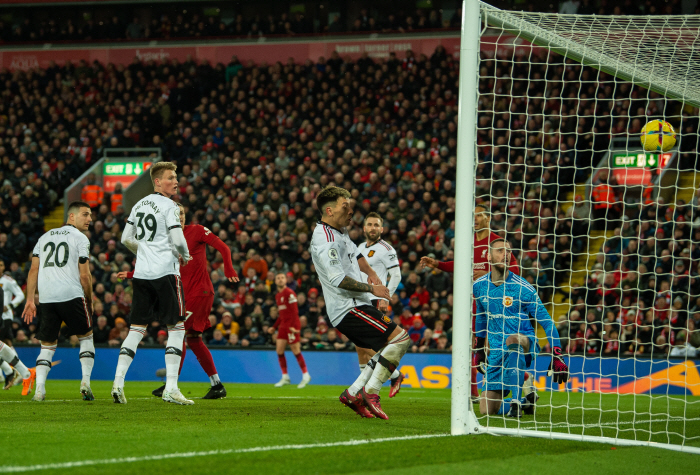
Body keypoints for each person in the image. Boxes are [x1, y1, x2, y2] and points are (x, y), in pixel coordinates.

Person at [310, 186, 410, 420]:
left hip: (355, 305)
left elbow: (356, 255)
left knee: (385, 347)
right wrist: (371, 287)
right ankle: (371, 391)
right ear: (329, 209)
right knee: (400, 338)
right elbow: (337, 279)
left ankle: (353, 393)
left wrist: (371, 273)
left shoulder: (339, 232)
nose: (351, 210)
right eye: (345, 206)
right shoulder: (326, 240)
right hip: (349, 307)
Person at [111, 162, 193, 405]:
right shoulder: (170, 206)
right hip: (166, 272)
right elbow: (178, 238)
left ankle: (117, 383)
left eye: (176, 177)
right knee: (176, 328)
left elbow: (126, 238)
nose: (176, 182)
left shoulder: (138, 204)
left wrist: (145, 249)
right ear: (157, 181)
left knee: (136, 329)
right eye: (170, 178)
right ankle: (171, 388)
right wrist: (186, 255)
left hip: (142, 274)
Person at [420, 204, 519, 402]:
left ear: (488, 218)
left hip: (497, 304)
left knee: (497, 349)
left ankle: (523, 381)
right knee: (469, 347)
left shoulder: (497, 242)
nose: (475, 219)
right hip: (473, 304)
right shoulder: (469, 243)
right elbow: (460, 265)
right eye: (472, 215)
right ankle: (473, 393)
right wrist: (437, 264)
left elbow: (515, 269)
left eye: (479, 215)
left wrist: (491, 275)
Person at [149, 202, 238, 399]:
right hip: (184, 296)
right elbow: (156, 267)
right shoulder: (167, 239)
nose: (180, 216)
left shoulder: (197, 231)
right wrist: (131, 274)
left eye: (182, 213)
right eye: (175, 214)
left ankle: (170, 385)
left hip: (201, 292)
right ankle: (217, 385)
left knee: (177, 332)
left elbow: (223, 247)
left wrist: (228, 268)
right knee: (193, 339)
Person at [473, 238, 569, 417]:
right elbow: (481, 317)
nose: (506, 255)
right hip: (496, 352)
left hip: (524, 341)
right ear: (489, 256)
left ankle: (516, 403)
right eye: (500, 251)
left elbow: (547, 322)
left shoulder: (524, 288)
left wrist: (557, 353)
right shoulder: (479, 287)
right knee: (487, 411)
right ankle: (526, 401)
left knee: (513, 339)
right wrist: (479, 348)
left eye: (508, 251)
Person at [20, 201, 95, 401]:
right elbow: (85, 275)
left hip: (46, 298)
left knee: (47, 346)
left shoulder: (43, 237)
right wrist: (89, 299)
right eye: (85, 214)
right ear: (72, 216)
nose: (90, 219)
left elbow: (33, 270)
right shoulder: (81, 238)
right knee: (86, 337)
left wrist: (30, 300)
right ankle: (85, 382)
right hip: (71, 294)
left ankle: (39, 390)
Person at [356, 212, 404, 397]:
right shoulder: (360, 247)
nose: (373, 228)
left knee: (370, 346)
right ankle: (362, 390)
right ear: (364, 228)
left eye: (376, 225)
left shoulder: (386, 249)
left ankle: (396, 375)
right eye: (370, 224)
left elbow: (396, 275)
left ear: (381, 229)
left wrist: (385, 297)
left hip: (374, 300)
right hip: (360, 299)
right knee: (360, 346)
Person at [268, 272, 311, 388]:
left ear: (286, 280)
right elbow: (281, 315)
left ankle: (306, 375)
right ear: (275, 281)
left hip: (291, 326)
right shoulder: (277, 296)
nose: (280, 280)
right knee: (279, 351)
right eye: (278, 278)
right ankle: (285, 376)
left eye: (282, 278)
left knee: (296, 350)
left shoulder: (290, 294)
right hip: (283, 326)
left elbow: (295, 312)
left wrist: (296, 328)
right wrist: (274, 327)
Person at [0, 259, 26, 389]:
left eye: (1, 265)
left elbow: (21, 295)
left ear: (4, 267)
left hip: (4, 317)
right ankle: (16, 371)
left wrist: (10, 305)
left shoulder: (7, 281)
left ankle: (12, 371)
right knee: (7, 344)